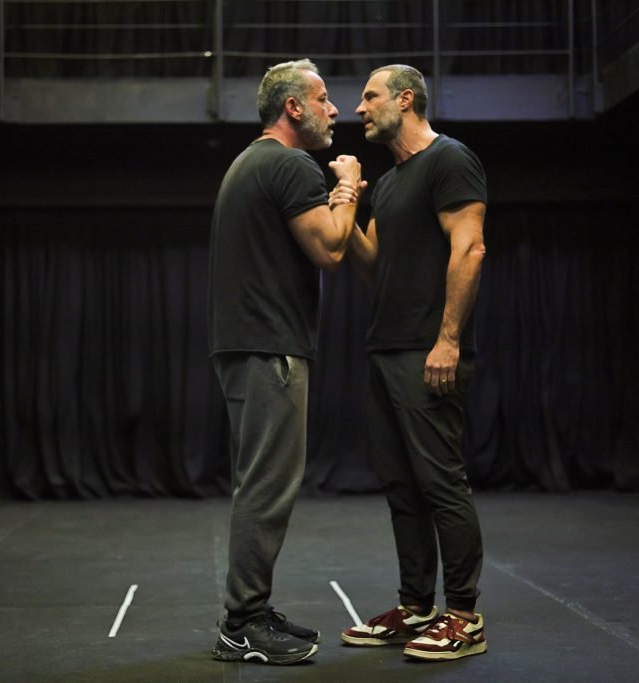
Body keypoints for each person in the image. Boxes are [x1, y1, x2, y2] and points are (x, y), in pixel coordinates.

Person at [207, 59, 362, 666]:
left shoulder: (251, 161)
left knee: (260, 482)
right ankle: (242, 623)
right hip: (269, 347)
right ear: (293, 108)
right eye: (323, 99)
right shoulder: (289, 163)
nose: (336, 110)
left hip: (250, 344)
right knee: (267, 486)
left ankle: (249, 614)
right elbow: (329, 246)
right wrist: (346, 182)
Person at [336, 64, 488, 661]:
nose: (358, 109)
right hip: (385, 346)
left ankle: (463, 617)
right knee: (402, 486)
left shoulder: (449, 159)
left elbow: (470, 247)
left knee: (440, 482)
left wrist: (448, 339)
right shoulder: (393, 182)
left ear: (406, 99)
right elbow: (373, 268)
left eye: (369, 97)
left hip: (429, 349)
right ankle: (416, 605)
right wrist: (344, 205)